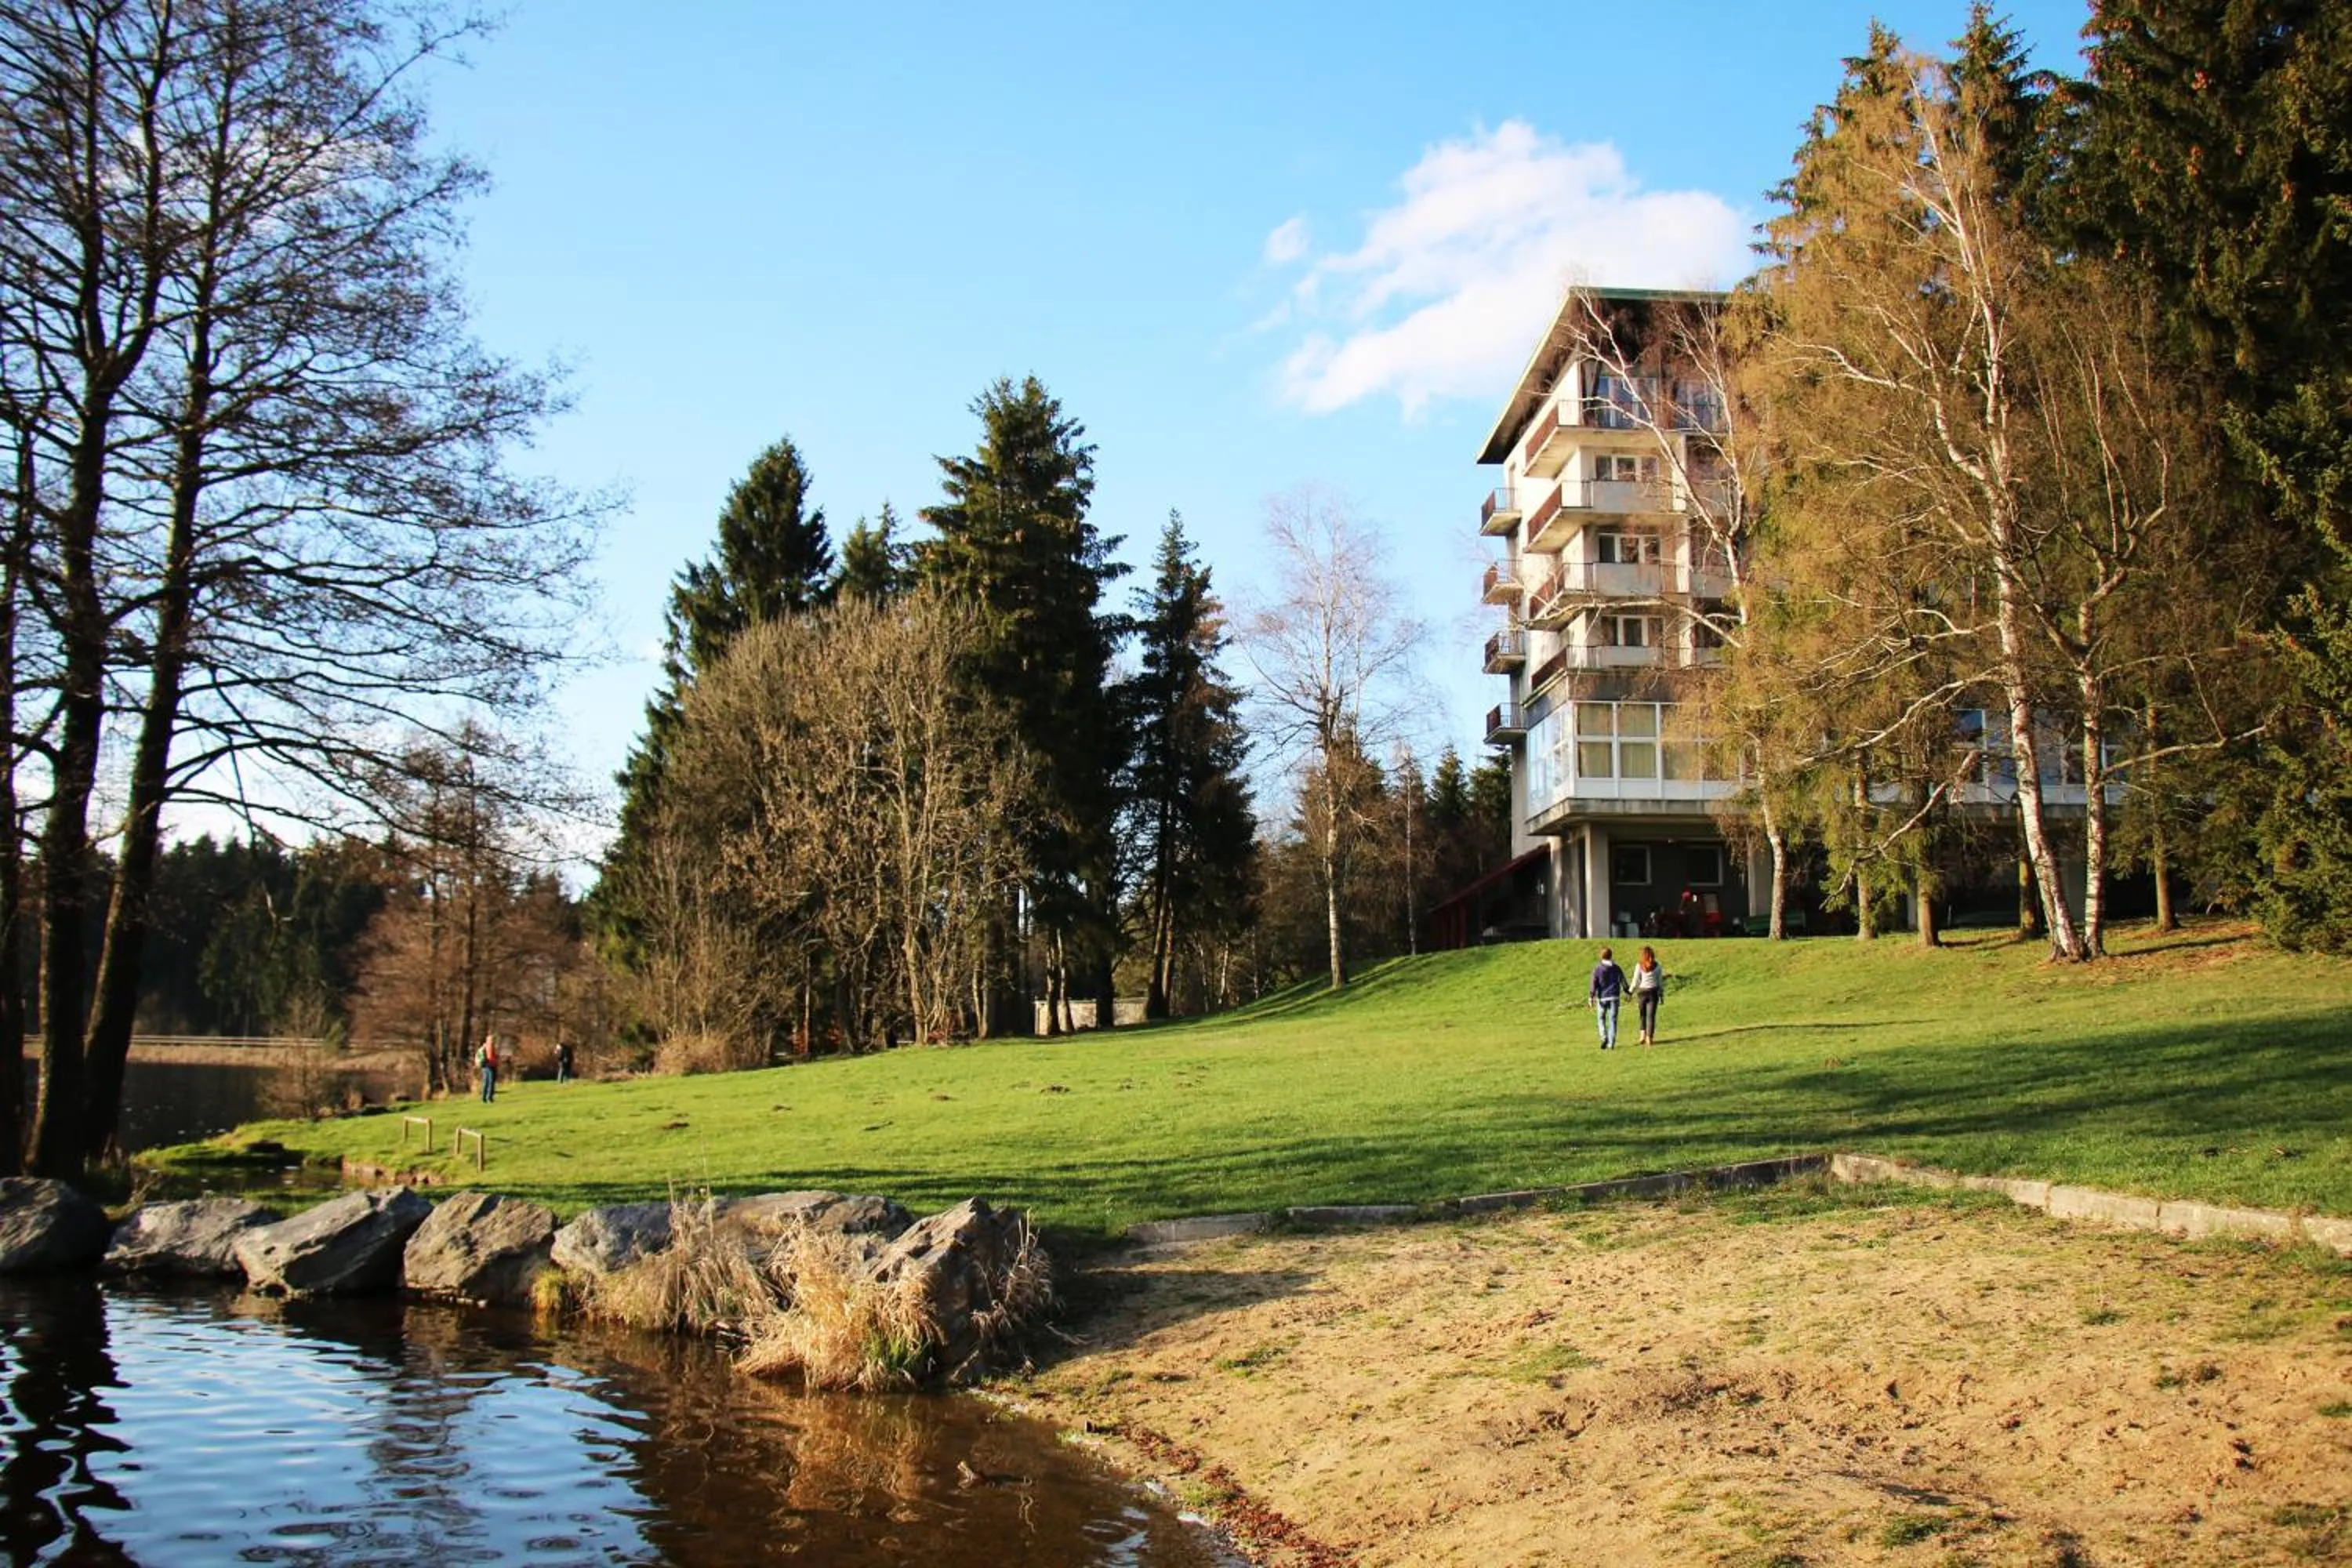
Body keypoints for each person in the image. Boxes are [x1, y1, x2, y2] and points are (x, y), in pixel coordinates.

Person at [1588, 946, 1628, 1050]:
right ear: (1611, 955)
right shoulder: (1616, 967)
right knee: (1613, 1020)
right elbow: (1623, 981)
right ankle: (1611, 1044)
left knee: (1601, 1018)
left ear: (1601, 956)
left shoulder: (1597, 969)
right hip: (1614, 996)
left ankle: (1604, 1037)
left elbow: (1593, 983)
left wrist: (1591, 996)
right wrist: (1627, 991)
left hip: (1602, 997)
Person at [1631, 945, 1666, 1047]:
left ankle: (1642, 1035)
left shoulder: (1639, 966)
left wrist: (1630, 992)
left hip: (1642, 993)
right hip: (1653, 993)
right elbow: (1660, 982)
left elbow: (1635, 981)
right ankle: (1649, 1038)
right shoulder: (1658, 966)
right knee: (1651, 1016)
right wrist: (1661, 995)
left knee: (1642, 1015)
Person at [476, 1033, 498, 1103]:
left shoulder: (491, 1047)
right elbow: (491, 1057)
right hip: (488, 1066)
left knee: (487, 1082)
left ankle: (485, 1098)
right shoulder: (487, 1047)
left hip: (489, 1066)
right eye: (492, 1039)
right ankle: (488, 1098)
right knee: (490, 1082)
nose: (493, 1041)